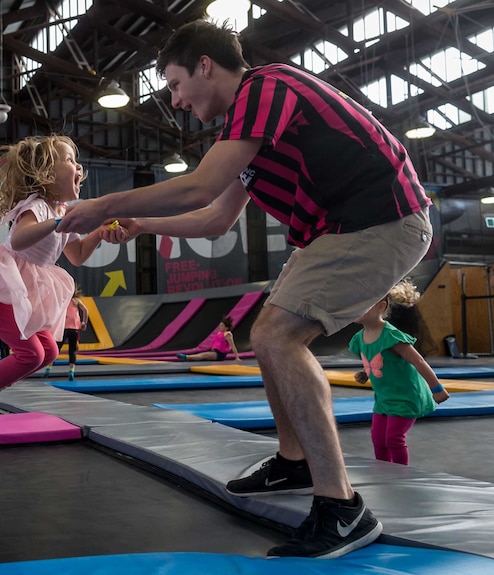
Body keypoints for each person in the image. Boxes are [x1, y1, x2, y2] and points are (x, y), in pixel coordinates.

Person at [58, 20, 433, 559]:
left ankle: (342, 508)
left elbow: (200, 185)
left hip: (381, 218)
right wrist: (145, 225)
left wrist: (108, 205)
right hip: (340, 228)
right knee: (267, 335)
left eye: (175, 84)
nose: (176, 100)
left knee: (280, 336)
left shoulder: (267, 88)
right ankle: (293, 460)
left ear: (204, 65)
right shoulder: (247, 126)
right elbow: (214, 217)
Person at [0, 135, 120, 439]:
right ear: (46, 173)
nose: (78, 165)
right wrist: (58, 224)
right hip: (1, 286)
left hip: (29, 287)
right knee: (30, 354)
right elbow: (18, 239)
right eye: (69, 159)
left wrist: (99, 234)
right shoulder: (38, 206)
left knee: (49, 351)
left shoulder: (64, 211)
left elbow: (77, 256)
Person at [350, 280, 449, 465]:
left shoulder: (392, 336)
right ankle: (384, 474)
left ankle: (400, 477)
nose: (356, 309)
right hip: (384, 399)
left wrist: (437, 388)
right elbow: (375, 359)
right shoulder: (359, 339)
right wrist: (365, 373)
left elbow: (418, 361)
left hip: (406, 396)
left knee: (393, 438)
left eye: (363, 306)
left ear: (380, 307)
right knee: (378, 439)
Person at [44, 286, 89, 380]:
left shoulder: (63, 300)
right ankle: (71, 370)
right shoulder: (75, 301)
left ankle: (48, 368)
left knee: (56, 349)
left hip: (64, 328)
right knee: (72, 351)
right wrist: (84, 323)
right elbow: (85, 310)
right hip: (74, 329)